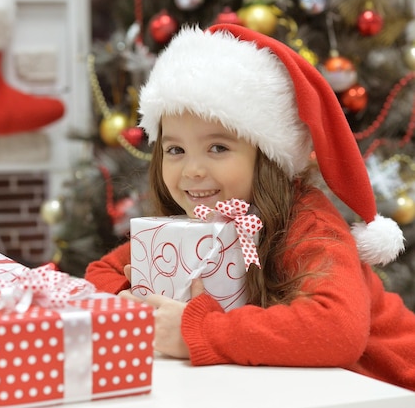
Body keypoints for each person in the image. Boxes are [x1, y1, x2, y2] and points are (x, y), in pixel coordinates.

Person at [84, 23, 415, 391]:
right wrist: (134, 305)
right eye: (175, 150)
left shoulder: (308, 224)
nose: (192, 171)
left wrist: (198, 330)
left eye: (218, 148)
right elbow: (100, 273)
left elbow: (337, 329)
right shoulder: (192, 229)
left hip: (391, 385)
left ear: (267, 157)